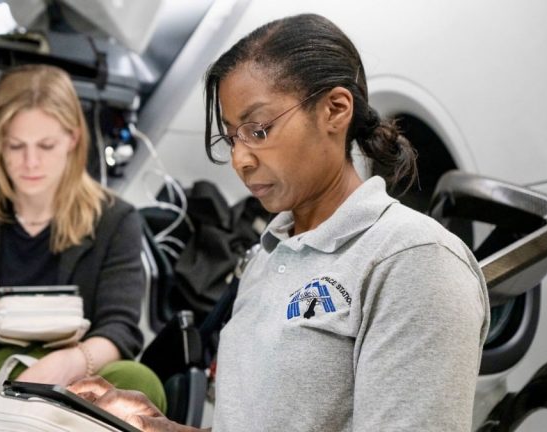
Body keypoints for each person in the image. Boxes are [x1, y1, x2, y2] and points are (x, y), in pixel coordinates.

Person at [68, 13, 490, 431]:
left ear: (335, 110)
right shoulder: (267, 256)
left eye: (258, 130)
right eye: (232, 137)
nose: (240, 159)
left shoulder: (413, 261)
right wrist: (160, 428)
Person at [0, 64, 165, 432]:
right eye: (16, 147)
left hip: (77, 373)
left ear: (72, 139)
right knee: (7, 363)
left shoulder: (115, 220)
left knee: (138, 382)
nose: (31, 162)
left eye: (46, 145)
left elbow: (119, 329)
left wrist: (64, 363)